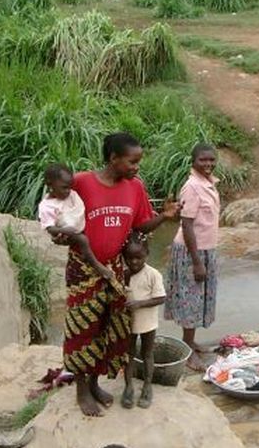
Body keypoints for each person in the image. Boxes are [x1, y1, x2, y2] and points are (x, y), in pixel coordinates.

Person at [53, 132, 179, 417]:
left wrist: (165, 217)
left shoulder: (135, 187)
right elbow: (59, 213)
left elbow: (142, 225)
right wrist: (58, 233)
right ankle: (82, 390)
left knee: (109, 328)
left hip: (115, 270)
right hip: (83, 267)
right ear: (113, 158)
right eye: (132, 161)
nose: (137, 167)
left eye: (138, 162)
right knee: (82, 328)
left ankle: (96, 383)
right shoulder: (82, 183)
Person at [165, 144, 220, 372]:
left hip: (206, 249)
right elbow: (186, 225)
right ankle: (187, 350)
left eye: (211, 160)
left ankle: (191, 341)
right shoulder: (192, 187)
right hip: (192, 252)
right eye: (202, 160)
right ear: (193, 161)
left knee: (199, 300)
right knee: (191, 301)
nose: (207, 164)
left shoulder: (209, 184)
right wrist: (197, 261)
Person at [38, 163, 116, 285]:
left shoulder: (70, 195)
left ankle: (86, 254)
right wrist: (64, 231)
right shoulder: (47, 206)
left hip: (75, 226)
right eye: (64, 187)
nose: (68, 191)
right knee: (82, 240)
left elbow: (79, 211)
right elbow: (50, 228)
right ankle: (97, 265)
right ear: (50, 185)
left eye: (70, 187)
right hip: (64, 231)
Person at [122, 234, 165, 410]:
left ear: (147, 254)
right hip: (129, 323)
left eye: (138, 258)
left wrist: (139, 304)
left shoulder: (153, 274)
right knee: (129, 354)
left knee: (147, 353)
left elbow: (160, 297)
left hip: (147, 322)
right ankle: (128, 387)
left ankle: (147, 386)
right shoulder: (124, 275)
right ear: (124, 258)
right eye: (129, 258)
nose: (134, 262)